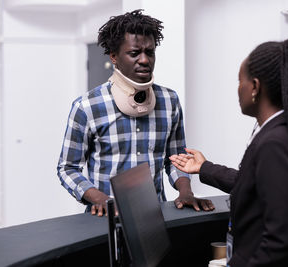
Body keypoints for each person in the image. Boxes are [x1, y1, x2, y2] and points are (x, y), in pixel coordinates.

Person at [170, 40, 288, 266]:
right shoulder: (276, 133)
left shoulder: (274, 143)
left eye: (239, 81)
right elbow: (254, 184)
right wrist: (203, 167)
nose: (237, 89)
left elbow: (281, 243)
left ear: (254, 86)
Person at [57, 9, 214, 216]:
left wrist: (185, 191)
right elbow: (67, 168)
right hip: (104, 220)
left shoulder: (169, 101)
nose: (144, 60)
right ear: (114, 56)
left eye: (149, 52)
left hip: (155, 216)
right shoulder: (87, 106)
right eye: (134, 53)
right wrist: (102, 199)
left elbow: (177, 159)